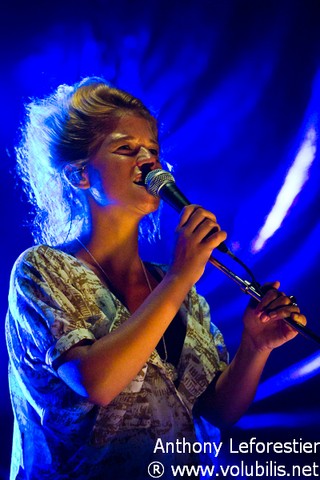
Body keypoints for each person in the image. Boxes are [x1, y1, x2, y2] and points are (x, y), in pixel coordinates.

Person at [6, 77, 306, 480]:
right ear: (79, 175)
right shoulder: (42, 268)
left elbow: (217, 412)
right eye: (126, 149)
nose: (148, 163)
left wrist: (254, 346)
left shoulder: (173, 286)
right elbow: (96, 382)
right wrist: (181, 277)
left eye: (153, 151)